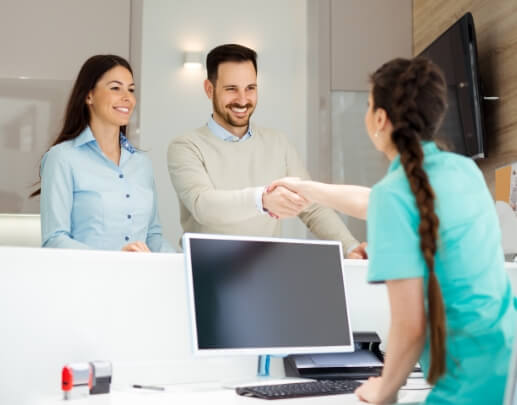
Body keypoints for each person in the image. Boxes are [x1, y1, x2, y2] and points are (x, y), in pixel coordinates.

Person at [270, 57, 516, 404]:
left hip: (469, 383)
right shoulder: (464, 170)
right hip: (507, 362)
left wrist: (383, 389)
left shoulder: (396, 194)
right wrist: (308, 188)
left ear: (380, 119)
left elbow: (410, 327)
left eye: (369, 105)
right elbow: (377, 201)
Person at [167, 44, 366, 258]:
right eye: (231, 89)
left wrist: (349, 247)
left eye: (250, 88)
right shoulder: (186, 146)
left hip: (265, 270)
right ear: (209, 89)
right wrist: (262, 199)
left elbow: (312, 207)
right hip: (205, 271)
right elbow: (203, 205)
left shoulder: (278, 143)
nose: (243, 100)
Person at [32, 55, 173, 253]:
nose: (128, 98)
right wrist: (114, 260)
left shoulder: (142, 163)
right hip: (87, 281)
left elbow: (153, 235)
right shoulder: (62, 158)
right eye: (115, 88)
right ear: (89, 95)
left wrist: (178, 261)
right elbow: (55, 239)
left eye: (131, 89)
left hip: (139, 280)